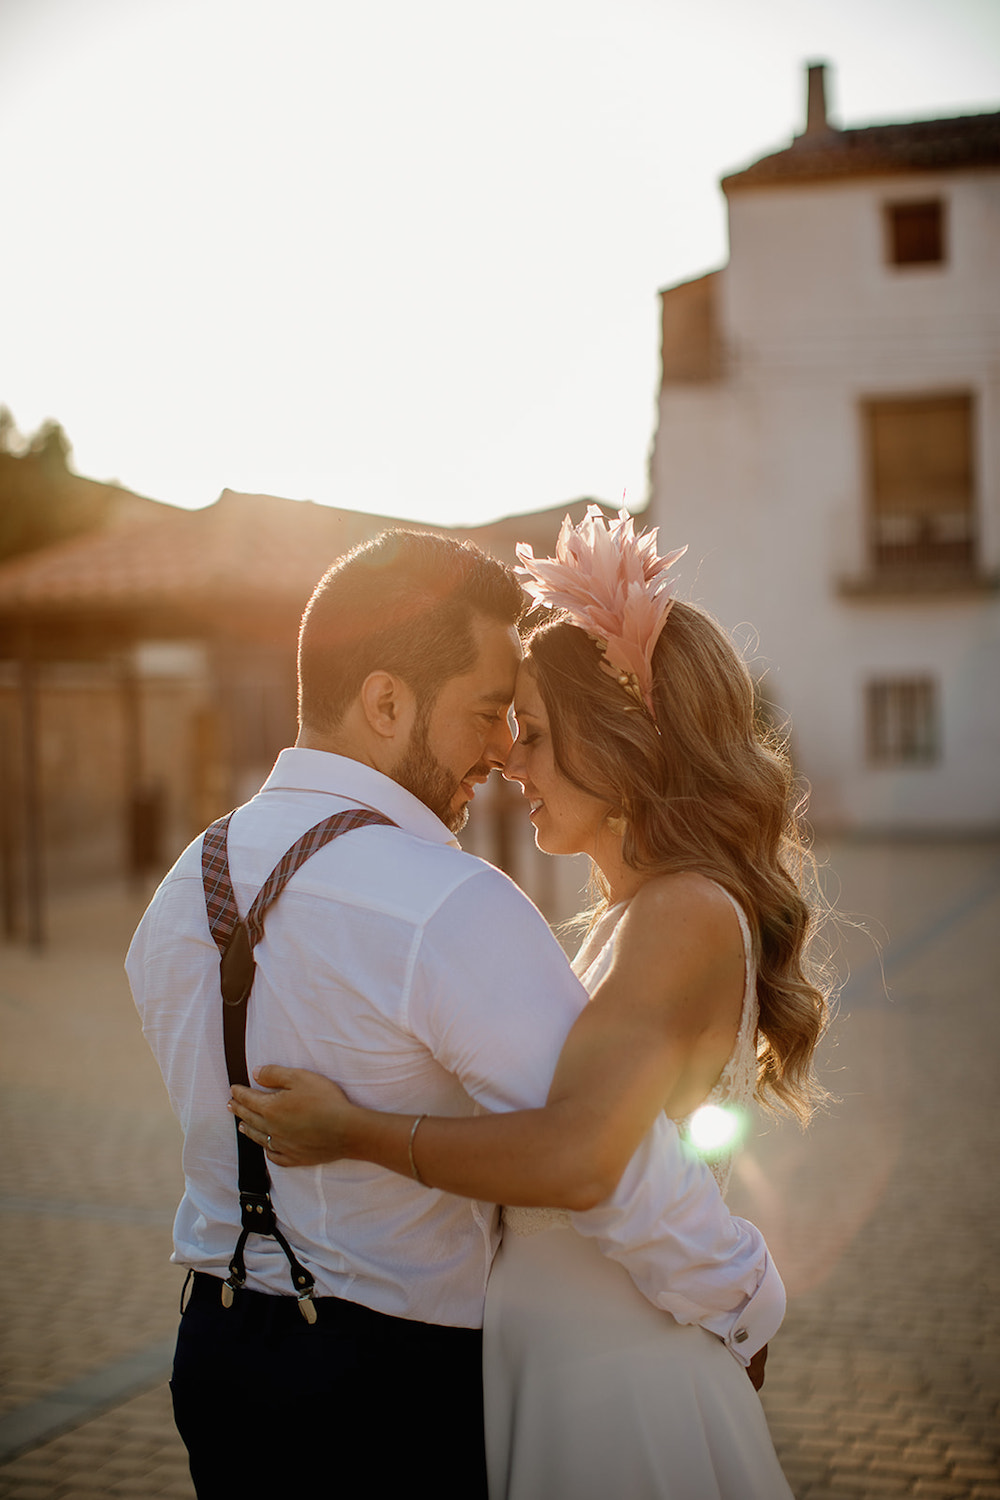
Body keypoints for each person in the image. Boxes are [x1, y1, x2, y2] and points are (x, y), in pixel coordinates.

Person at [128, 524, 786, 1500]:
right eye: (488, 712)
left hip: (218, 1357)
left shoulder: (183, 889)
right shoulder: (446, 904)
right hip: (390, 1387)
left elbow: (585, 1146)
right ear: (386, 700)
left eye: (521, 723)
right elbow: (618, 1175)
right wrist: (742, 1298)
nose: (501, 748)